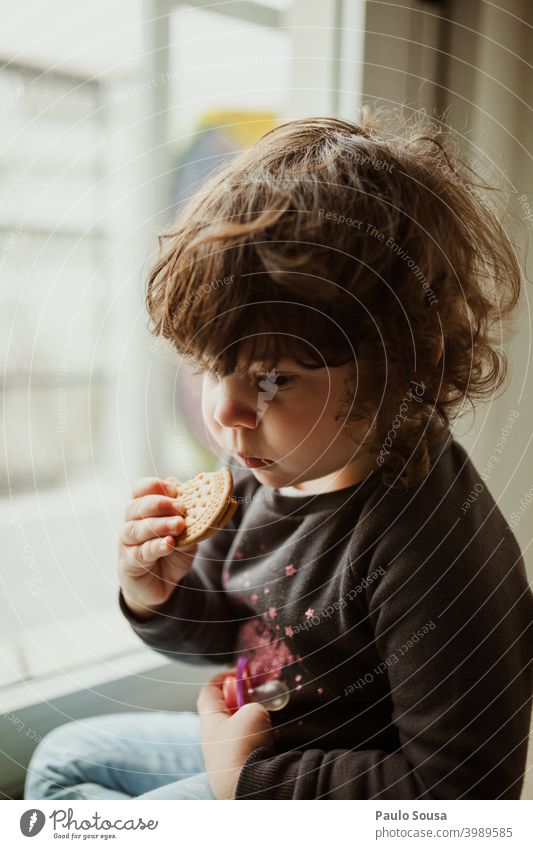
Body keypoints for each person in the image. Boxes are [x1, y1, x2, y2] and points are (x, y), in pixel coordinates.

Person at [25, 111, 533, 801]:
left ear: (403, 362)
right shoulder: (266, 467)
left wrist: (249, 781)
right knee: (64, 759)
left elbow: (465, 794)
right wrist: (160, 593)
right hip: (270, 750)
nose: (225, 412)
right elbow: (237, 629)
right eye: (210, 366)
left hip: (314, 793)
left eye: (272, 378)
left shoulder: (433, 550)